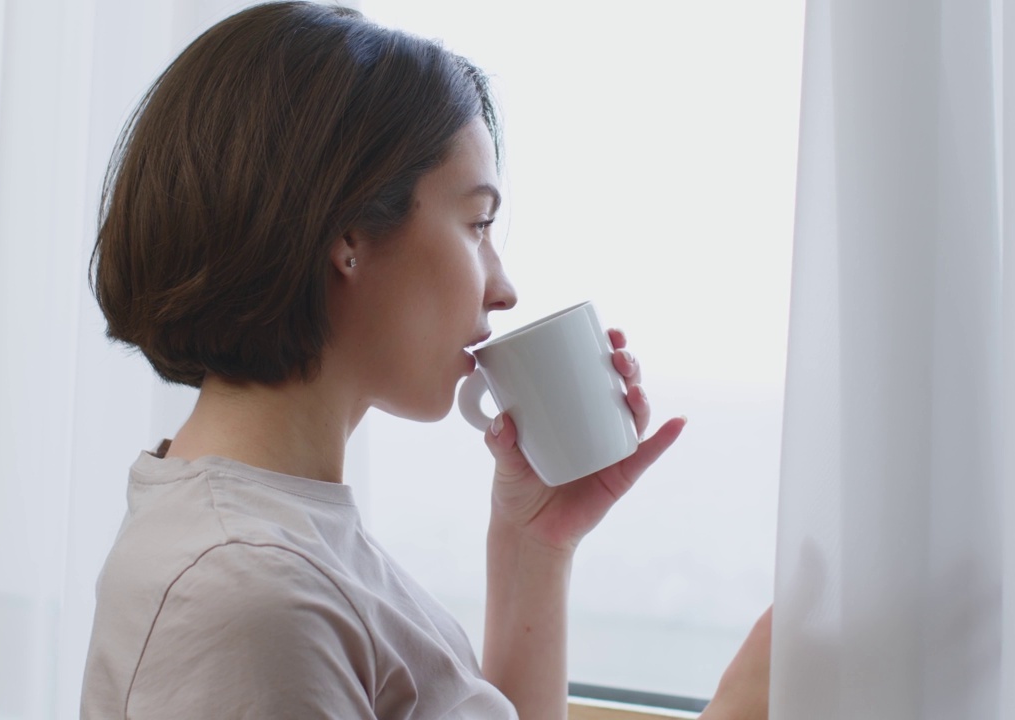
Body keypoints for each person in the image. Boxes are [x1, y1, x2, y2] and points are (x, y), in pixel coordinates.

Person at [79, 2, 771, 718]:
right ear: (347, 234)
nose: (503, 288)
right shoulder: (247, 591)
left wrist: (534, 544)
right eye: (477, 224)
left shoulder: (282, 540)